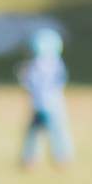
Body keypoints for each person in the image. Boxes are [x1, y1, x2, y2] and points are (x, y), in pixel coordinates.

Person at [17, 28, 72, 171]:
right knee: (57, 131)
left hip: (40, 103)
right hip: (53, 102)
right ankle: (62, 158)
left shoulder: (36, 64)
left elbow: (28, 81)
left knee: (36, 133)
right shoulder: (55, 62)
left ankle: (30, 160)